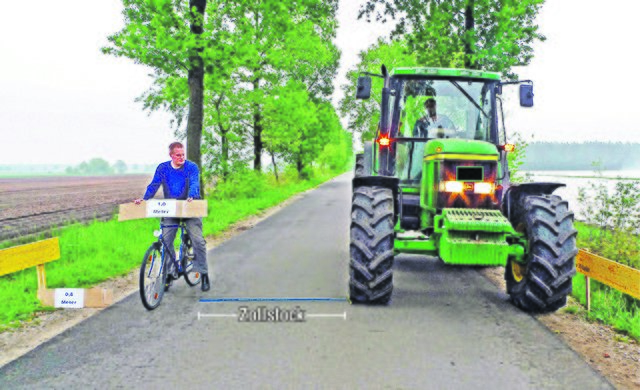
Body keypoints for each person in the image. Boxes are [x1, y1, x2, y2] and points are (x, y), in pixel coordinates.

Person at [133, 142, 210, 292]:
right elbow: (154, 185)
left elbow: (194, 182)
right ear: (171, 155)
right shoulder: (163, 168)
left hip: (190, 205)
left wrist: (192, 196)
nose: (182, 157)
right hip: (172, 208)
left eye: (183, 154)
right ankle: (168, 273)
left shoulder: (191, 167)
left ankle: (204, 273)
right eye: (178, 155)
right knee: (166, 241)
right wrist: (144, 199)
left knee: (198, 240)